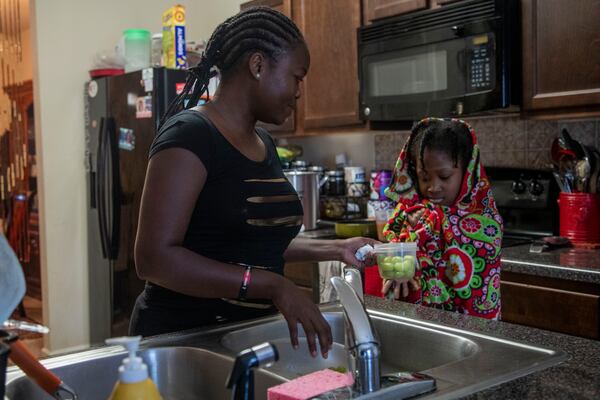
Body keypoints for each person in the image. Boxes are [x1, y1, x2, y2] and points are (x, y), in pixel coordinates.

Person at [130, 6, 377, 358]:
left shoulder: (264, 143)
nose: (298, 93)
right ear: (258, 65)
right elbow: (154, 259)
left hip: (242, 338)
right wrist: (271, 285)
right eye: (296, 77)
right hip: (183, 343)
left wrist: (335, 249)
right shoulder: (191, 135)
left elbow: (250, 241)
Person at [380, 117, 503, 320]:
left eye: (444, 177)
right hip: (415, 324)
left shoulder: (485, 222)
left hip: (468, 330)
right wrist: (395, 267)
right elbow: (392, 246)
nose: (433, 187)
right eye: (425, 177)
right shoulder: (407, 212)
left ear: (467, 173)